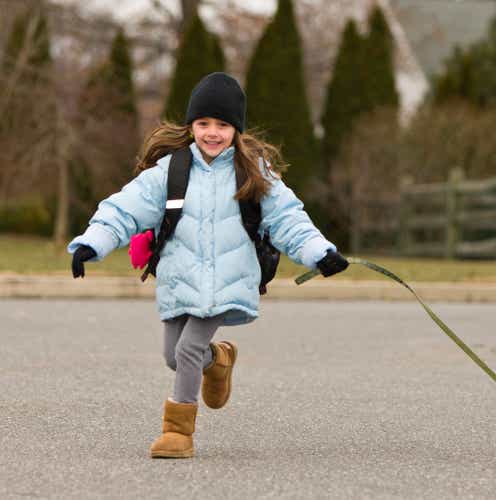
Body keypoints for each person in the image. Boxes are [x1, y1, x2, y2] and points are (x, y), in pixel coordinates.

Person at [68, 72, 349, 458]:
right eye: (203, 124)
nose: (212, 133)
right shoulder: (170, 172)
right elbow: (123, 210)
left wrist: (321, 252)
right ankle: (219, 359)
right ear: (191, 126)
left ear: (237, 129)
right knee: (174, 355)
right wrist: (91, 243)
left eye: (222, 124)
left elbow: (288, 219)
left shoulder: (254, 173)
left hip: (227, 281)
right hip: (180, 278)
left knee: (185, 352)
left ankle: (177, 433)